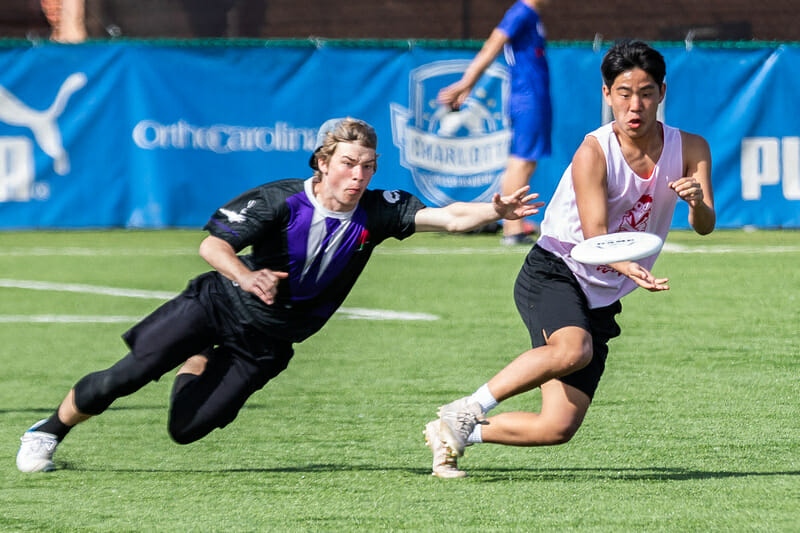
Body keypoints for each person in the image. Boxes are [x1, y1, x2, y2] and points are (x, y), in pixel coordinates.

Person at [16, 117, 543, 473]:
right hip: (218, 302)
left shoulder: (380, 210)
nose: (358, 176)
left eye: (367, 166)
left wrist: (494, 212)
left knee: (188, 429)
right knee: (125, 376)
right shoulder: (281, 200)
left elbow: (450, 218)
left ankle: (196, 360)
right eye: (348, 164)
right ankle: (48, 430)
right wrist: (246, 277)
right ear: (323, 162)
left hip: (269, 340)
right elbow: (213, 246)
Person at [424, 40, 716, 478]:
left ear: (662, 92)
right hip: (556, 269)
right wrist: (630, 269)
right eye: (623, 92)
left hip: (601, 294)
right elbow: (595, 235)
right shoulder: (593, 152)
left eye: (646, 92)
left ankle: (454, 432)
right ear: (606, 94)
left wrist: (696, 202)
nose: (635, 105)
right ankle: (466, 409)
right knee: (573, 349)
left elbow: (706, 224)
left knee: (557, 426)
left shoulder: (691, 148)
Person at [438, 0, 552, 246]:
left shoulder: (531, 14)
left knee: (526, 162)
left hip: (534, 97)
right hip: (527, 98)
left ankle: (514, 225)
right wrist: (466, 84)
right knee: (521, 162)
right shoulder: (521, 11)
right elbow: (492, 46)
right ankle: (511, 229)